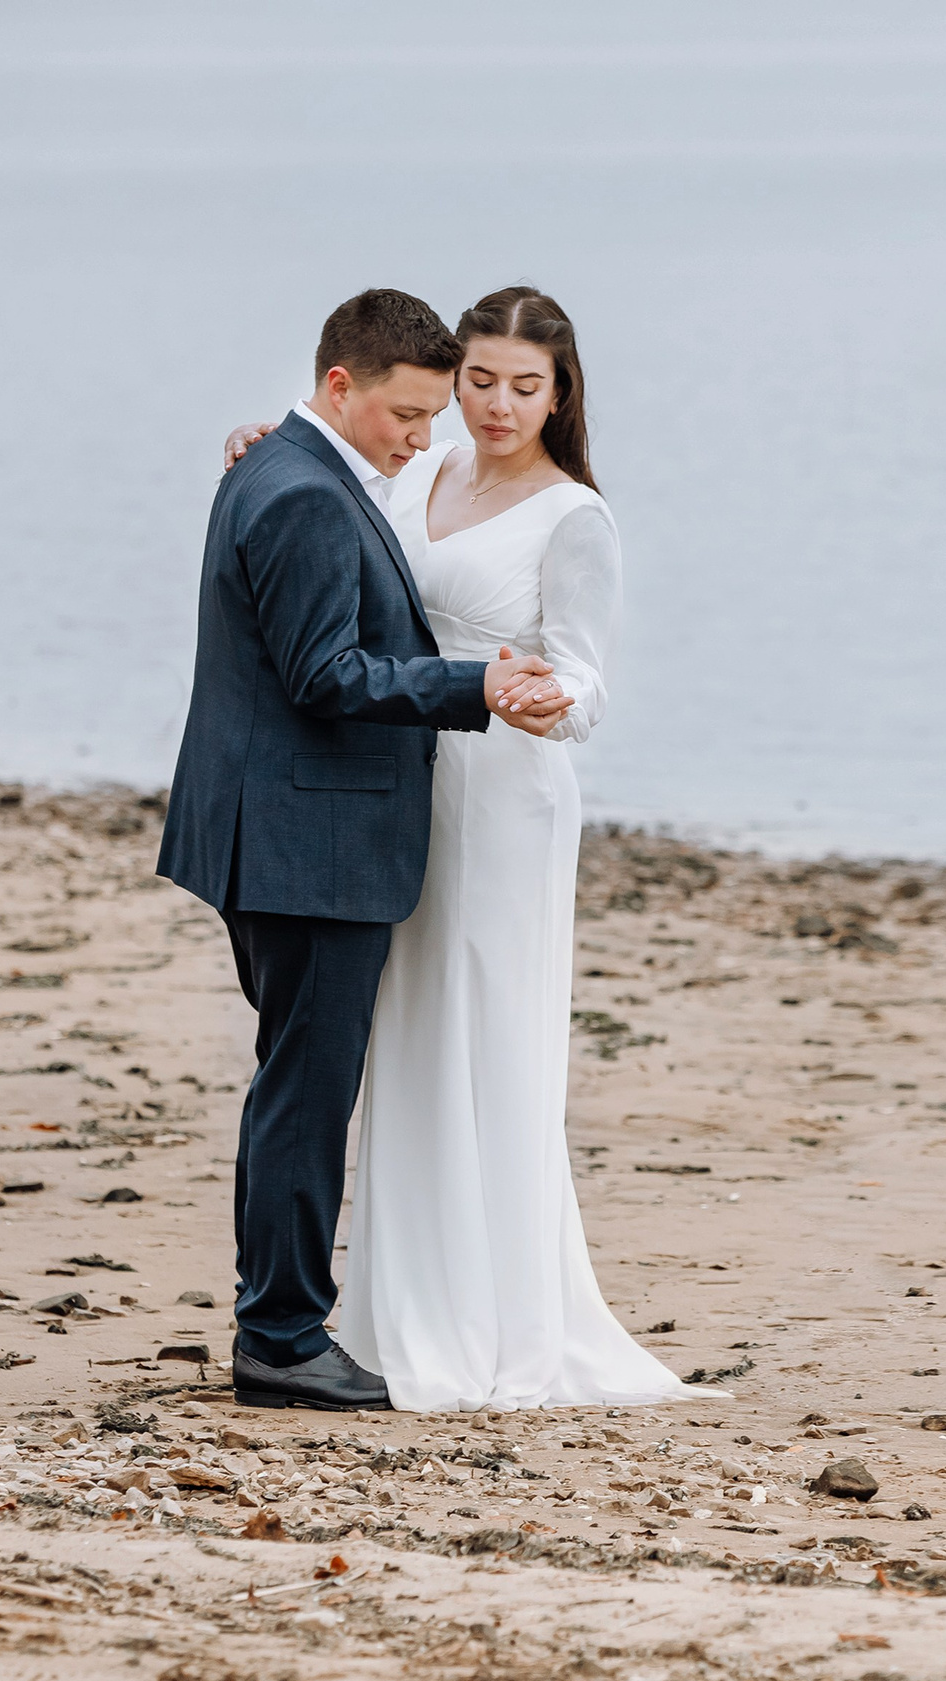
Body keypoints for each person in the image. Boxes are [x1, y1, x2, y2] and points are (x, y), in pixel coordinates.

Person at [221, 284, 706, 1412]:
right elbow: (334, 502)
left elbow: (586, 683)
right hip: (389, 786)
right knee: (399, 1039)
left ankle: (489, 1317)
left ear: (561, 393)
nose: (495, 406)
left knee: (484, 1039)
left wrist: (544, 702)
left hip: (498, 797)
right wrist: (262, 443)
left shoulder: (573, 516)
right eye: (479, 381)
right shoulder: (421, 467)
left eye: (524, 387)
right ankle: (392, 1307)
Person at [159, 287, 576, 1411]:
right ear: (339, 386)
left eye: (435, 415)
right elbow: (324, 674)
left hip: (280, 826)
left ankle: (278, 1320)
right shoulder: (302, 489)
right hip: (309, 839)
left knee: (293, 1080)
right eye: (407, 413)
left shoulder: (283, 462)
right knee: (305, 1091)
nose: (424, 438)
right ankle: (281, 1337)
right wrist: (477, 686)